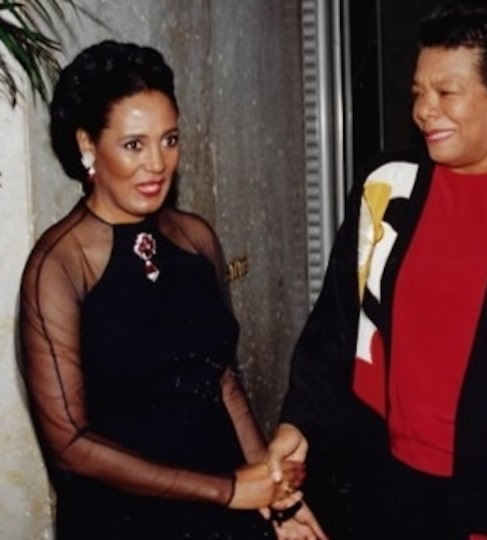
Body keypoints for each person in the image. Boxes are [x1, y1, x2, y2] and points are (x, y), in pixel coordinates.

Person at [266, 1, 487, 539]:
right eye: (418, 93)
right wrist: (298, 423)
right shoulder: (388, 188)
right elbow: (335, 330)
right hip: (390, 490)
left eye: (446, 92)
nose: (425, 110)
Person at [17, 40, 314, 540]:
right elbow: (70, 443)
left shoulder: (195, 239)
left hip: (224, 508)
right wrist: (227, 489)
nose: (157, 164)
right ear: (88, 145)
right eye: (134, 144)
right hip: (124, 520)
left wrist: (272, 490)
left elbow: (222, 378)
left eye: (169, 140)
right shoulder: (59, 267)